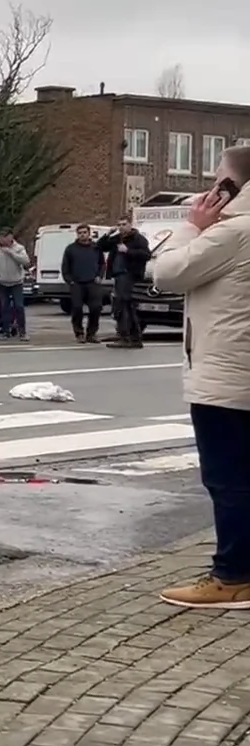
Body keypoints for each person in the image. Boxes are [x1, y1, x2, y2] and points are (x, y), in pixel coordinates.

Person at [147, 145, 250, 608]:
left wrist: (192, 224)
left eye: (217, 180)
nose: (209, 188)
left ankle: (234, 575)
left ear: (233, 189)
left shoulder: (235, 233)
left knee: (228, 478)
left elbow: (166, 271)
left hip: (229, 376)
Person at [98, 218, 152, 349]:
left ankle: (129, 337)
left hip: (129, 275)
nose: (121, 227)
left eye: (124, 224)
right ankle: (127, 335)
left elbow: (146, 255)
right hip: (118, 275)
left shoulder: (138, 239)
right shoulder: (117, 238)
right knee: (121, 306)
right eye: (119, 225)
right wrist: (107, 234)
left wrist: (128, 251)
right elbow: (100, 246)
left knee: (124, 306)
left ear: (130, 225)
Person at [60, 223, 106, 344]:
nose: (82, 235)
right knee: (77, 308)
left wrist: (99, 276)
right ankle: (79, 333)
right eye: (80, 233)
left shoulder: (96, 247)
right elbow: (65, 267)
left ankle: (91, 334)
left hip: (93, 282)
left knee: (96, 308)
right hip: (77, 284)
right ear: (77, 234)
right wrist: (69, 280)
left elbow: (102, 264)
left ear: (89, 233)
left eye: (84, 232)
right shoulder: (70, 249)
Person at [0, 230, 30, 341]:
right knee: (4, 307)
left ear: (11, 237)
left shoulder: (19, 248)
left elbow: (26, 262)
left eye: (7, 237)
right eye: (2, 237)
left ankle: (22, 332)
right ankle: (5, 331)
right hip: (2, 283)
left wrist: (12, 253)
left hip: (16, 282)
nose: (4, 239)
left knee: (19, 306)